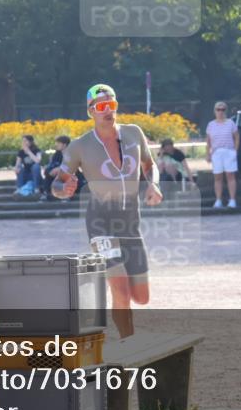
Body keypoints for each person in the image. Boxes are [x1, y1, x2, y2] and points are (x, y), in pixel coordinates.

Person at [52, 84, 163, 337]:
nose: (108, 111)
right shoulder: (79, 146)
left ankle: (109, 305)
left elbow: (150, 164)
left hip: (131, 224)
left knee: (142, 297)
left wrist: (153, 184)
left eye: (112, 105)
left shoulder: (134, 133)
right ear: (91, 111)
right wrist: (63, 189)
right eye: (101, 107)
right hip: (100, 224)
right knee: (121, 291)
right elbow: (57, 183)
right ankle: (127, 340)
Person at [206, 101, 239, 208]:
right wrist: (208, 153)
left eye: (223, 109)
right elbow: (208, 141)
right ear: (214, 111)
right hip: (216, 153)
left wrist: (235, 151)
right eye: (218, 109)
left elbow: (237, 137)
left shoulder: (230, 123)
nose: (220, 112)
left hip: (229, 151)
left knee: (230, 176)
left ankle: (232, 200)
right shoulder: (211, 124)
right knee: (218, 177)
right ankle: (218, 200)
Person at [40, 135, 71, 201]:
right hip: (57, 175)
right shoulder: (57, 154)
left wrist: (59, 168)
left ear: (64, 145)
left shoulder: (71, 153)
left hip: (69, 175)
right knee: (48, 175)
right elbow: (52, 165)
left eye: (58, 143)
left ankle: (66, 195)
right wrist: (49, 171)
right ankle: (46, 194)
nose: (56, 145)